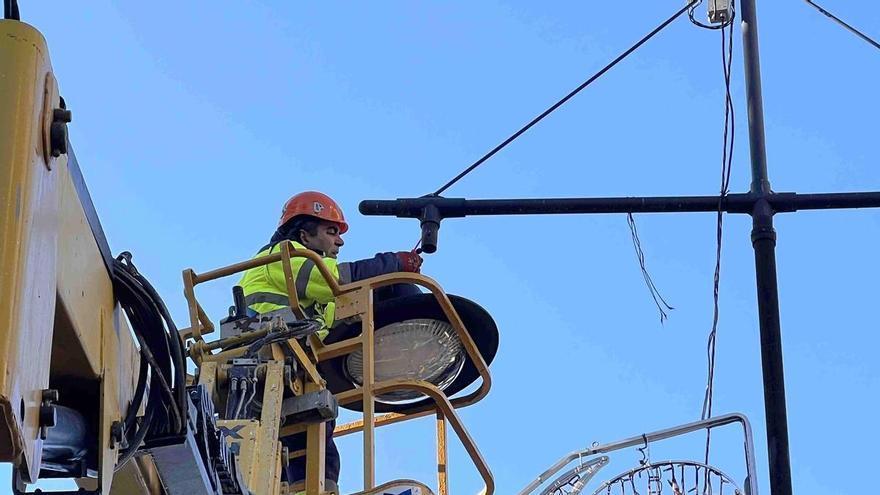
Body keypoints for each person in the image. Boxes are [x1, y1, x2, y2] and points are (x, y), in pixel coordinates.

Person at [237, 191, 422, 492]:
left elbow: (340, 312)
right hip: (267, 358)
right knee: (305, 434)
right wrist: (393, 263)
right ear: (304, 235)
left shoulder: (311, 292)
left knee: (314, 431)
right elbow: (338, 281)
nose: (340, 241)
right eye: (331, 231)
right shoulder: (286, 256)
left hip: (290, 364)